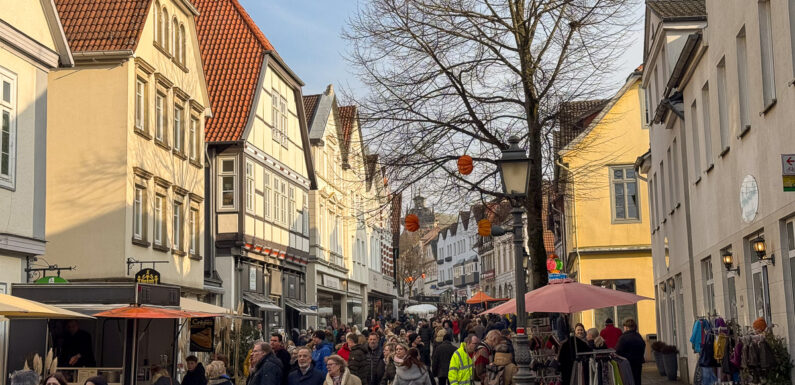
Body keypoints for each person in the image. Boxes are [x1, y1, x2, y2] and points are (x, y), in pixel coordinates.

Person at [615, 319, 645, 385]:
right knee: (637, 380)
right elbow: (643, 346)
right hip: (638, 362)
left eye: (624, 327)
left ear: (626, 327)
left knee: (628, 380)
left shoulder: (623, 338)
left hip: (627, 363)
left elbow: (618, 351)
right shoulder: (638, 336)